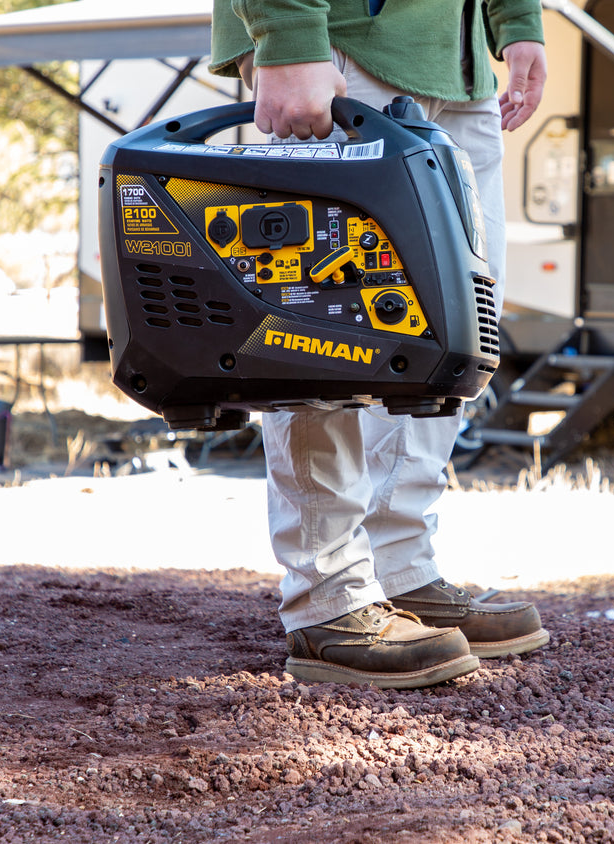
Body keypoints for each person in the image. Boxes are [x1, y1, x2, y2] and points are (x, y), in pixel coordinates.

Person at [209, 0, 550, 689]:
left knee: (455, 328)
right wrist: (288, 33)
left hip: (458, 71)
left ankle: (398, 570)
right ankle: (327, 597)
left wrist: (517, 23)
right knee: (323, 328)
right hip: (337, 50)